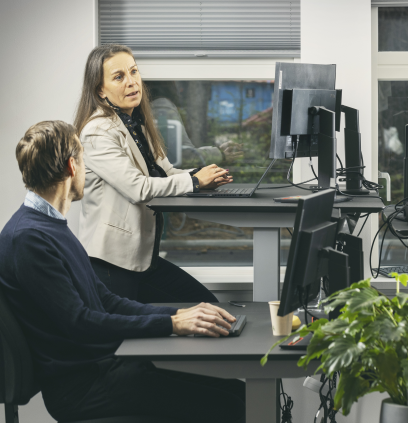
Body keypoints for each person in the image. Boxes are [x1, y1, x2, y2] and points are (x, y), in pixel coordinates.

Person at [0, 121, 245, 422]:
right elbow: (80, 322)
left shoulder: (49, 226)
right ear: (72, 167)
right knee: (232, 407)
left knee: (238, 392)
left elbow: (105, 300)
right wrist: (171, 324)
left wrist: (179, 315)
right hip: (83, 388)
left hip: (107, 369)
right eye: (84, 160)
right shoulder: (28, 239)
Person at [74, 44, 232, 303]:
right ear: (100, 90)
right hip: (111, 262)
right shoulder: (97, 132)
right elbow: (138, 188)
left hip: (142, 257)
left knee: (207, 305)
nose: (131, 82)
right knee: (127, 332)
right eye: (119, 77)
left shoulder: (137, 124)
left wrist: (203, 176)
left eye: (133, 71)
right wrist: (193, 181)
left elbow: (166, 172)